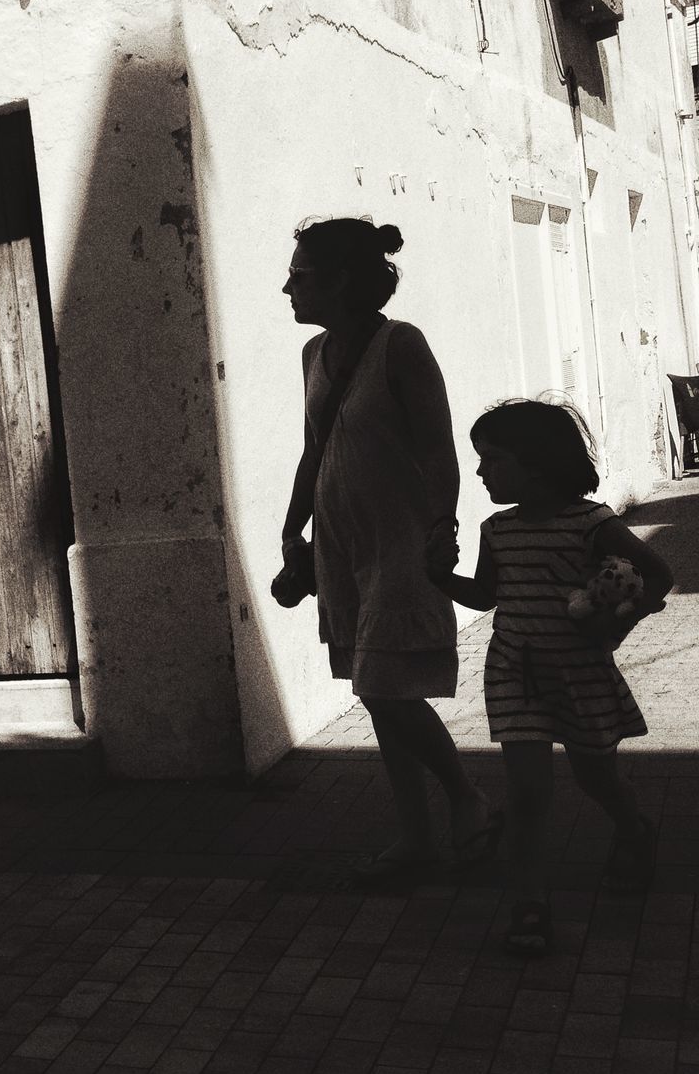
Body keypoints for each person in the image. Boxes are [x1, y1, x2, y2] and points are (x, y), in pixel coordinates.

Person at [277, 217, 497, 883]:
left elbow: (438, 447)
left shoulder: (402, 346)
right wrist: (292, 533)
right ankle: (417, 838)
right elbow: (315, 450)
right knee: (378, 692)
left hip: (402, 544)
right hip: (342, 549)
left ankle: (466, 798)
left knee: (381, 685)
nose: (288, 286)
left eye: (302, 275)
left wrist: (442, 530)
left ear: (342, 279)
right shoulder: (313, 357)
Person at [427, 399, 673, 955]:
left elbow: (659, 574)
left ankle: (634, 830)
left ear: (535, 461)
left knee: (596, 778)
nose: (481, 471)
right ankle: (529, 904)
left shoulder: (593, 523)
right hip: (516, 672)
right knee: (529, 791)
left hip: (580, 673)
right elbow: (488, 596)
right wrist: (439, 576)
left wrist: (616, 627)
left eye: (491, 458)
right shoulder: (497, 529)